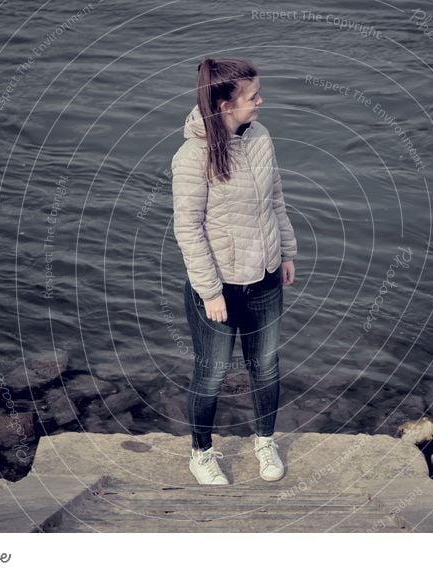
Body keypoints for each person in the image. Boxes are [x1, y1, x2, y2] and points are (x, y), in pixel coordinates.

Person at [171, 57, 298, 485]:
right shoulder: (192, 157)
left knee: (265, 365)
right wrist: (209, 293)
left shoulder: (261, 137)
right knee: (212, 373)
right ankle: (201, 452)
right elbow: (187, 229)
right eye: (253, 96)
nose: (261, 102)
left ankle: (265, 441)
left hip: (263, 276)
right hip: (219, 286)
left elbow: (275, 198)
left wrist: (286, 252)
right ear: (226, 105)